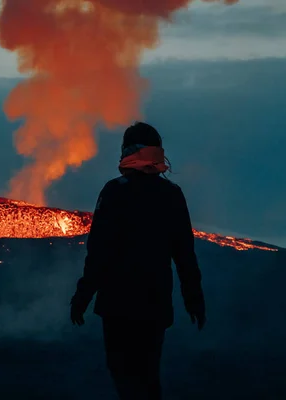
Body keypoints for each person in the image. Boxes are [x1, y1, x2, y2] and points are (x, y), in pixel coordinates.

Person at [70, 121, 206, 400]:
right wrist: (194, 298)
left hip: (117, 304)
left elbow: (99, 252)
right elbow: (184, 254)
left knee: (124, 374)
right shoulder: (171, 195)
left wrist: (83, 296)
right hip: (155, 305)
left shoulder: (114, 192)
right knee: (148, 374)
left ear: (127, 152)